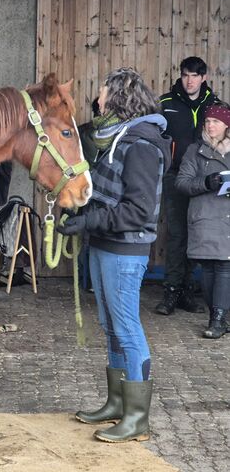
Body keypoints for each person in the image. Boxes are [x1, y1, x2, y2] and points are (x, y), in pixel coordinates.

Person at [58, 68, 171, 443]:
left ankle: (137, 416)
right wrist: (81, 213)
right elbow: (109, 194)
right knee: (111, 329)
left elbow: (138, 211)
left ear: (119, 97)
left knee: (127, 328)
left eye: (103, 91)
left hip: (124, 250)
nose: (98, 98)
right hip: (105, 245)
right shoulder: (118, 138)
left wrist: (90, 222)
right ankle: (117, 402)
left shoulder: (140, 144)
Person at [156, 57, 218, 315]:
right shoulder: (165, 104)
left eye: (194, 76)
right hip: (174, 176)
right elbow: (153, 137)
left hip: (205, 181)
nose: (189, 80)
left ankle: (187, 291)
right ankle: (171, 291)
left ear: (204, 78)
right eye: (185, 75)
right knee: (177, 234)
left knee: (198, 235)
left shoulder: (215, 106)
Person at [174, 104, 230, 339]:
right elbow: (181, 183)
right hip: (205, 216)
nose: (210, 125)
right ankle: (218, 315)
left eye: (215, 122)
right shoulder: (194, 151)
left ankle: (217, 319)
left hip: (227, 218)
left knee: (225, 267)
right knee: (208, 268)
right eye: (207, 121)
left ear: (226, 125)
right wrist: (207, 183)